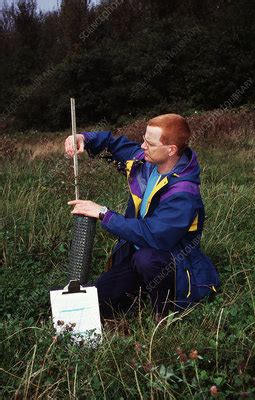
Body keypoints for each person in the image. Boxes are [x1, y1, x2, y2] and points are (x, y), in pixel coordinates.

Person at [65, 114, 220, 320]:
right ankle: (140, 290)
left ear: (171, 149)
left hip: (172, 261)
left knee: (146, 258)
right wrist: (84, 138)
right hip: (136, 257)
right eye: (144, 139)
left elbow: (154, 235)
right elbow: (112, 143)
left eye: (150, 142)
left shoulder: (184, 193)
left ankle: (165, 311)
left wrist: (104, 214)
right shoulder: (144, 162)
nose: (143, 146)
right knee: (95, 303)